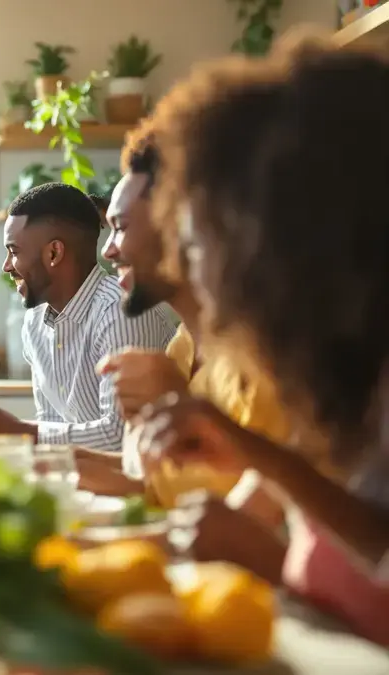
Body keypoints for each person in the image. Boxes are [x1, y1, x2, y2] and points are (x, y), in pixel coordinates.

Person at [137, 31, 389, 645]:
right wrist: (259, 456)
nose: (186, 268)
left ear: (273, 240)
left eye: (199, 243)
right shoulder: (334, 375)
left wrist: (269, 560)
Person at [92, 122, 289, 582]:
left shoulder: (272, 357)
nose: (109, 251)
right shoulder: (182, 344)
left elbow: (256, 518)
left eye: (120, 227)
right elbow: (154, 480)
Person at [0, 183, 176, 452]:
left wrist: (20, 431)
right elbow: (51, 426)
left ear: (53, 253)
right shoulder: (34, 322)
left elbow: (123, 437)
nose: (6, 266)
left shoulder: (120, 310)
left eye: (14, 252)